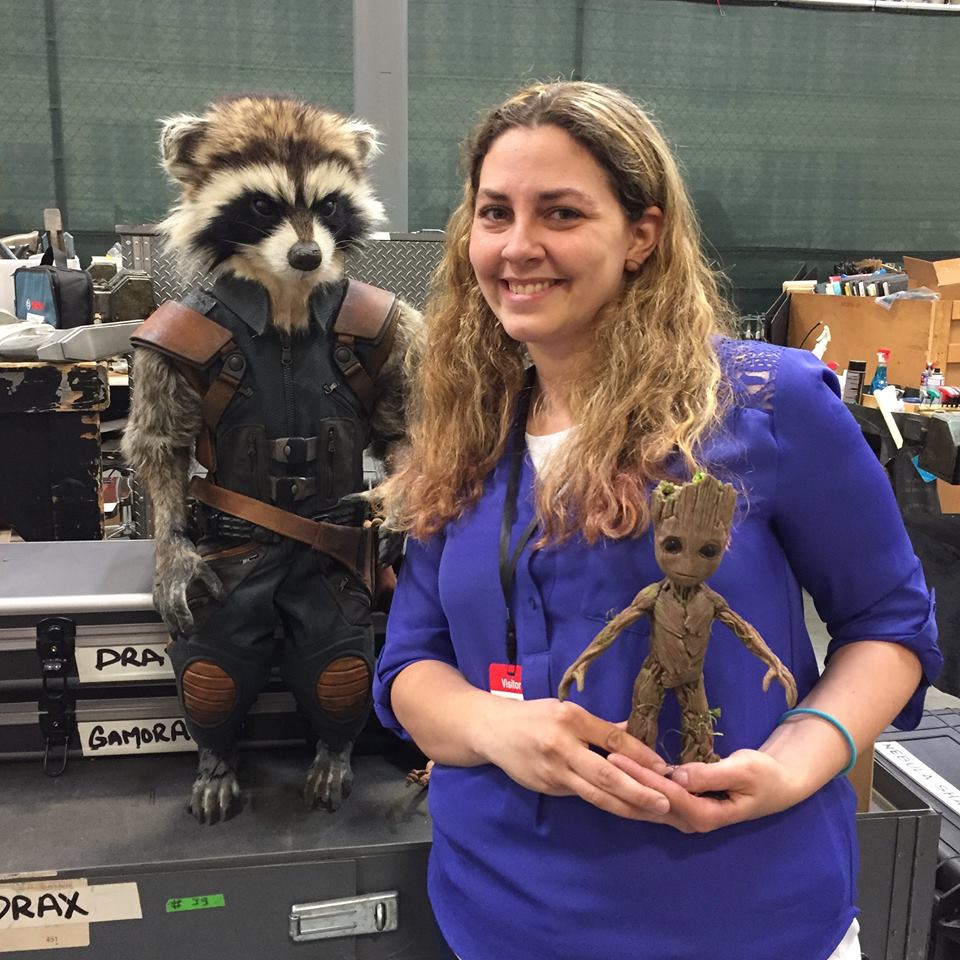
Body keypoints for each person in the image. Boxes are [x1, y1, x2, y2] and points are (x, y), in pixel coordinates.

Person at [372, 80, 942, 960]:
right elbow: (412, 665)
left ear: (641, 235)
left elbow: (890, 626)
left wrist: (798, 759)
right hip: (501, 916)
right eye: (495, 213)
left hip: (744, 915)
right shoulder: (468, 431)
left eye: (561, 213)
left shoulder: (767, 404)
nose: (517, 246)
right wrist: (496, 728)